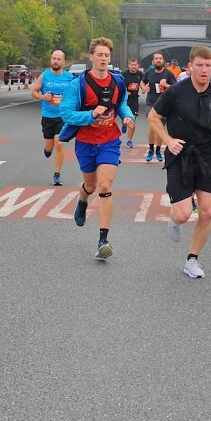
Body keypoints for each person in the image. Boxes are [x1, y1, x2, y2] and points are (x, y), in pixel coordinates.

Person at [148, 45, 211, 279]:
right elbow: (153, 117)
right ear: (190, 67)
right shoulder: (176, 92)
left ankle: (192, 260)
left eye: (208, 65)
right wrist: (167, 139)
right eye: (200, 65)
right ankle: (174, 221)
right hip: (179, 154)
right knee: (184, 214)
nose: (204, 70)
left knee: (207, 212)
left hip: (206, 156)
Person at [59, 37, 136, 260]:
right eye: (99, 55)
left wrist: (128, 117)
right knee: (91, 186)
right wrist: (90, 115)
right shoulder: (78, 84)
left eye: (106, 55)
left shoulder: (117, 82)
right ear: (91, 56)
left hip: (110, 141)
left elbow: (120, 104)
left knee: (104, 185)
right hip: (85, 142)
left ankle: (103, 239)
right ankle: (82, 200)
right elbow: (66, 113)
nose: (103, 59)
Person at [31, 49, 74, 186]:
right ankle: (47, 149)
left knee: (59, 144)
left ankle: (57, 174)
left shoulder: (69, 77)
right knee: (49, 147)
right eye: (53, 58)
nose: (55, 61)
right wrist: (43, 97)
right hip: (48, 116)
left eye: (58, 59)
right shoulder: (45, 76)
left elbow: (75, 94)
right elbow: (34, 92)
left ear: (63, 62)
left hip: (62, 117)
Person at [141, 52, 177, 162]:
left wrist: (166, 85)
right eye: (156, 58)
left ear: (163, 61)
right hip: (151, 103)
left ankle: (157, 150)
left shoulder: (169, 74)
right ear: (153, 61)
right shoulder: (149, 73)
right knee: (152, 127)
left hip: (164, 104)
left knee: (160, 129)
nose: (158, 60)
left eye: (160, 58)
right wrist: (144, 88)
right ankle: (151, 149)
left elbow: (176, 88)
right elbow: (142, 82)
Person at [121, 58, 146, 148]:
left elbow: (143, 83)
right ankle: (123, 124)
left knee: (133, 120)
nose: (134, 66)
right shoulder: (123, 74)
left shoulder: (140, 74)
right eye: (132, 65)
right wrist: (125, 92)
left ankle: (129, 140)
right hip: (125, 100)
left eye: (135, 65)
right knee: (125, 118)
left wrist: (143, 89)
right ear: (129, 65)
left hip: (134, 100)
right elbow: (119, 85)